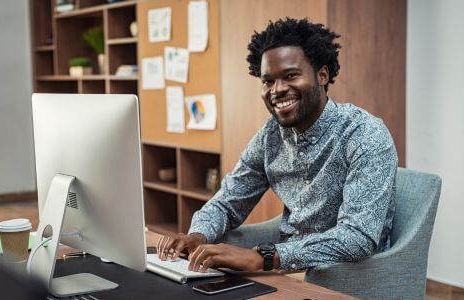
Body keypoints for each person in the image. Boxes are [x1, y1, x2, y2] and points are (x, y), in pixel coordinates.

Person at [157, 18, 398, 273]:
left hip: (345, 277)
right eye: (268, 81)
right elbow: (228, 201)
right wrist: (197, 236)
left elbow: (357, 239)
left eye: (291, 76)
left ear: (322, 75)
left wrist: (266, 257)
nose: (277, 90)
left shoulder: (365, 134)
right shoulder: (271, 135)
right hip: (285, 270)